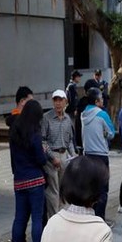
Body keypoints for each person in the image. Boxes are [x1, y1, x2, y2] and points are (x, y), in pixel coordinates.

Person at [9, 100, 46, 242]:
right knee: (37, 219)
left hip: (19, 180)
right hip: (35, 179)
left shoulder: (14, 132)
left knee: (19, 218)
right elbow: (41, 159)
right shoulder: (35, 134)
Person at [42, 89, 76, 220]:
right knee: (53, 191)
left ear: (65, 102)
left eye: (60, 100)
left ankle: (63, 217)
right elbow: (43, 141)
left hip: (64, 155)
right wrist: (52, 157)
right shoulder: (47, 118)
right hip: (51, 157)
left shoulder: (68, 118)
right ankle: (53, 219)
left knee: (64, 189)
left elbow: (69, 141)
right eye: (55, 100)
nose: (58, 103)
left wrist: (73, 155)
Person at [81, 88, 115, 220]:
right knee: (102, 190)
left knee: (90, 189)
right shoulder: (102, 114)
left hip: (87, 153)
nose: (103, 101)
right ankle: (100, 219)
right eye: (101, 99)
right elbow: (111, 134)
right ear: (96, 101)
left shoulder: (83, 114)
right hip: (101, 155)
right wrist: (104, 134)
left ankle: (90, 217)